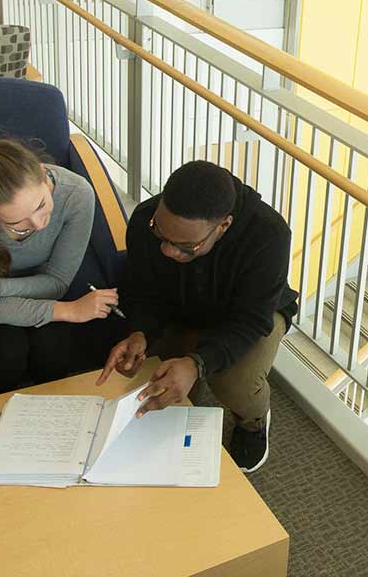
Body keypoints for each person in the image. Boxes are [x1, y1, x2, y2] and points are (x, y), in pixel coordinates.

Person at [99, 161, 299, 473]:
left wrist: (197, 363)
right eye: (161, 235)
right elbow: (142, 290)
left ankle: (253, 421)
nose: (168, 251)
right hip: (181, 305)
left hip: (247, 315)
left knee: (234, 384)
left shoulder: (269, 234)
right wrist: (140, 333)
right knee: (154, 385)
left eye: (186, 247)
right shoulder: (144, 219)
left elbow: (251, 321)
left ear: (223, 225)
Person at [0, 132, 123, 397]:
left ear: (43, 174)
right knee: (6, 352)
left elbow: (55, 283)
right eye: (19, 226)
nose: (40, 224)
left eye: (42, 205)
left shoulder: (77, 195)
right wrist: (69, 311)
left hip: (8, 284)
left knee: (51, 348)